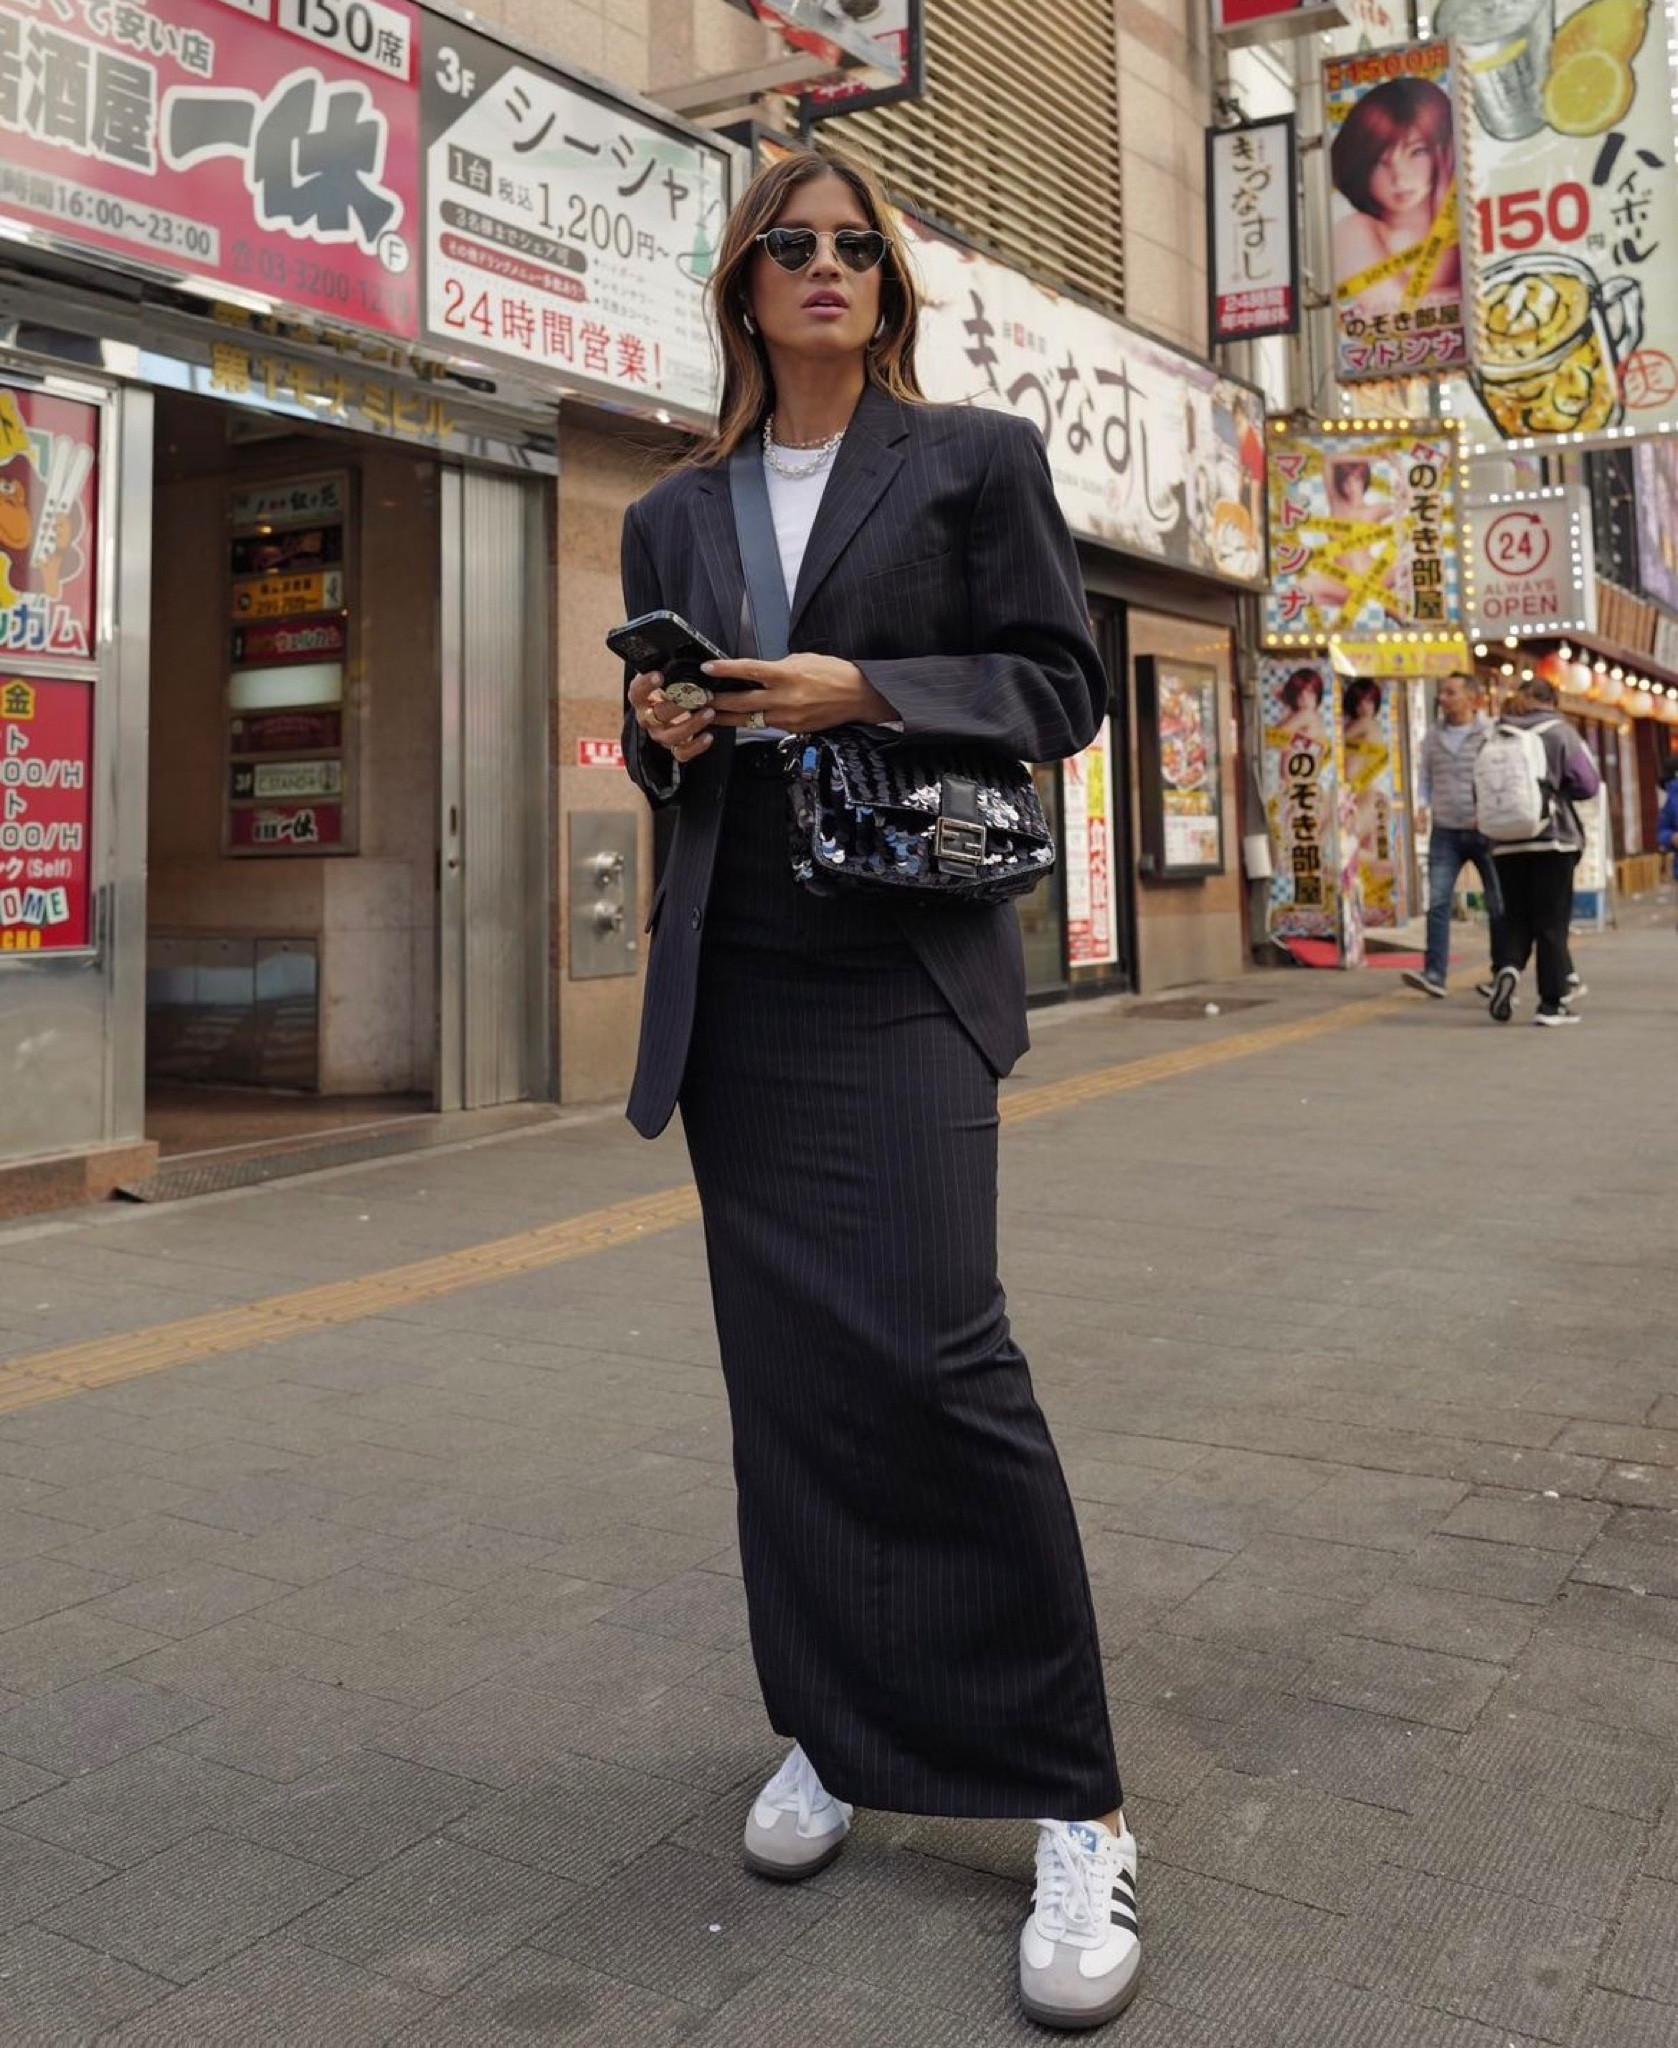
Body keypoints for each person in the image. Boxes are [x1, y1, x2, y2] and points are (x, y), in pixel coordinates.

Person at [618, 147, 1137, 2031]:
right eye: (790, 245)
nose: (825, 267)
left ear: (887, 282)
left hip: (902, 963)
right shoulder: (671, 511)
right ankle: (832, 1730)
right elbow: (657, 740)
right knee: (790, 1375)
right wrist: (667, 728)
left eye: (855, 246)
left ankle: (1071, 1793)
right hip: (737, 976)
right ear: (744, 284)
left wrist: (869, 689)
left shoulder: (974, 457)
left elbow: (1059, 687)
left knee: (935, 1355)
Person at [1486, 677, 1601, 1027]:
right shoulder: (1559, 732)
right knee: (1551, 924)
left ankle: (1507, 969)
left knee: (1517, 917)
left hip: (1505, 842)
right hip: (1552, 838)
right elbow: (1588, 784)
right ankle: (1551, 1004)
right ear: (1553, 700)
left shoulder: (1496, 733)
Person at [1403, 671, 1506, 998]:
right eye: (1442, 693)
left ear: (1472, 698)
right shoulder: (1432, 737)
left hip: (1486, 831)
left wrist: (1490, 810)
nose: (1443, 698)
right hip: (1445, 830)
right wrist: (1421, 806)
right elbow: (1425, 777)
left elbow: (1502, 777)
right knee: (1438, 901)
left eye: (1450, 693)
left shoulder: (1490, 732)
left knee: (1498, 904)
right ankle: (1435, 973)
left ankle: (1501, 974)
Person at [1331, 76, 1461, 317]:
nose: (1399, 178)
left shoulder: (1468, 224)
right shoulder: (1353, 230)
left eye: (1417, 152)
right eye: (1381, 162)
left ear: (1445, 152)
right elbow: (1393, 307)